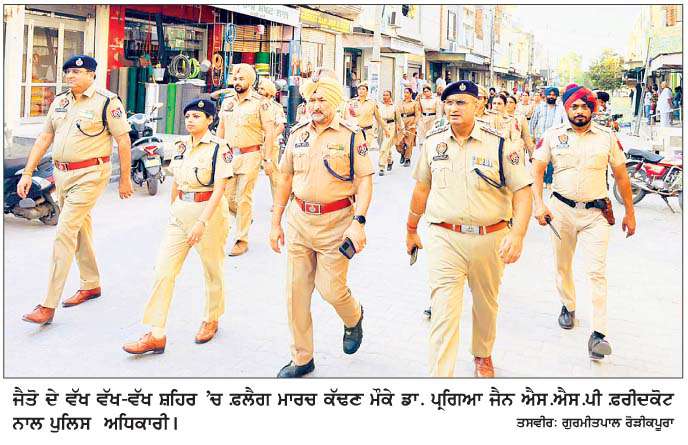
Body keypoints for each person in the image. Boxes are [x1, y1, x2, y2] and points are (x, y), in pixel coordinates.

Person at [406, 80, 533, 377]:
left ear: (478, 106)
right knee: (442, 310)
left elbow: (523, 191)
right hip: (444, 236)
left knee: (485, 303)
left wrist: (518, 235)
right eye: (449, 103)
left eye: (461, 102)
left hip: (490, 238)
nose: (453, 108)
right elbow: (422, 189)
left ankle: (482, 353)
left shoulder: (500, 143)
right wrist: (411, 228)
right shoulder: (433, 143)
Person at [269, 75, 373, 378]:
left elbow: (364, 180)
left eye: (321, 100)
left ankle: (354, 317)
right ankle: (302, 358)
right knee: (296, 293)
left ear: (335, 102)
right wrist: (275, 223)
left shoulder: (351, 135)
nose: (315, 105)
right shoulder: (297, 133)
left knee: (331, 290)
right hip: (299, 222)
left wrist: (359, 222)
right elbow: (285, 177)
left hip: (336, 225)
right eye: (311, 100)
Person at [21, 55, 133, 325]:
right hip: (62, 175)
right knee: (80, 228)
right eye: (68, 71)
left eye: (77, 72)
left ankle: (48, 305)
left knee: (65, 232)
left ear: (92, 75)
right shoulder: (60, 101)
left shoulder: (107, 102)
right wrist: (27, 172)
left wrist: (125, 179)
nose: (70, 76)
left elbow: (123, 140)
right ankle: (91, 284)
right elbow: (45, 137)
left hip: (90, 174)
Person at [531, 83, 637, 361]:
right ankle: (568, 305)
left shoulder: (607, 137)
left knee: (596, 272)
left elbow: (621, 176)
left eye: (585, 106)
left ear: (593, 108)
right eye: (574, 106)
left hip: (595, 215)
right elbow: (537, 170)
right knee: (563, 265)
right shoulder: (553, 135)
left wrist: (630, 212)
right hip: (561, 211)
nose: (580, 111)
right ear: (567, 109)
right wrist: (538, 203)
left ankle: (598, 334)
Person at [123, 99, 234, 353]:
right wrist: (173, 207)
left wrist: (202, 222)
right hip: (181, 213)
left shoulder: (219, 147)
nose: (190, 120)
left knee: (212, 269)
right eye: (188, 116)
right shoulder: (181, 145)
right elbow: (175, 180)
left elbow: (220, 188)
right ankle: (156, 333)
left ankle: (211, 318)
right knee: (164, 271)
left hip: (209, 214)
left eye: (196, 116)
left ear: (210, 120)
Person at [216, 64, 276, 257]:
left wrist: (268, 158)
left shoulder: (261, 103)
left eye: (241, 79)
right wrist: (215, 152)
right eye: (235, 78)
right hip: (228, 155)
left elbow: (269, 131)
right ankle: (245, 215)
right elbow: (221, 128)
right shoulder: (227, 102)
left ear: (250, 81)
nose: (237, 82)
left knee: (244, 197)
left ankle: (241, 239)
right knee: (225, 198)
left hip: (250, 155)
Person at [530, 86, 565, 190]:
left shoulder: (560, 109)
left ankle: (548, 180)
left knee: (551, 160)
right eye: (549, 94)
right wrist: (531, 135)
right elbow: (533, 121)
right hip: (540, 138)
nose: (551, 96)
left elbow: (563, 123)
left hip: (554, 138)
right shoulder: (539, 107)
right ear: (545, 96)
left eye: (554, 95)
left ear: (556, 96)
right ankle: (542, 178)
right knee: (540, 159)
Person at [257, 77, 286, 204]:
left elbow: (280, 127)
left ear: (269, 92)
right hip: (254, 145)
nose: (259, 91)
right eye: (259, 88)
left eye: (262, 89)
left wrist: (268, 139)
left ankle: (278, 202)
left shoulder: (276, 107)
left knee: (274, 175)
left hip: (271, 145)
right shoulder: (254, 105)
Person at [346, 81, 386, 151]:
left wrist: (386, 129)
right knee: (356, 151)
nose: (361, 91)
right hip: (355, 131)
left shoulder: (372, 103)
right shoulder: (351, 102)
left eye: (363, 89)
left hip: (368, 132)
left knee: (363, 151)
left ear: (367, 92)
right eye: (359, 89)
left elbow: (378, 118)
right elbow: (347, 117)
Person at [378, 90, 404, 176]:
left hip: (390, 127)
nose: (385, 97)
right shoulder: (380, 106)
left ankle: (381, 167)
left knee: (384, 147)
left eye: (387, 95)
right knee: (384, 146)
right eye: (384, 95)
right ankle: (390, 161)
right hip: (381, 127)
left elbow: (399, 119)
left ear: (390, 96)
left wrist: (402, 129)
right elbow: (377, 118)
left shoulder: (394, 107)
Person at [396, 87, 421, 167]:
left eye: (407, 93)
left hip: (411, 122)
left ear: (410, 94)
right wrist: (397, 124)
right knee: (398, 142)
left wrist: (414, 123)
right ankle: (402, 153)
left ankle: (407, 159)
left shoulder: (414, 103)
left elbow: (417, 114)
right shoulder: (400, 102)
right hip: (401, 122)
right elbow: (397, 114)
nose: (405, 94)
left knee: (409, 142)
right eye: (404, 92)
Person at [506, 94, 535, 160]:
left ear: (515, 105)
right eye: (506, 102)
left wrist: (532, 155)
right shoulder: (499, 117)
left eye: (511, 102)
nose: (508, 104)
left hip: (517, 150)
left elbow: (526, 137)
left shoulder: (520, 118)